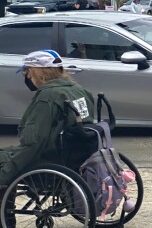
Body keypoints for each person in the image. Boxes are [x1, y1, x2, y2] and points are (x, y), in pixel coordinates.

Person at [0, 50, 96, 189]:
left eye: (27, 71)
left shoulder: (48, 97)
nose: (27, 76)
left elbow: (33, 143)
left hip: (51, 159)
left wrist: (5, 173)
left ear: (36, 72)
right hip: (76, 156)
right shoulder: (79, 90)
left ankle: (5, 201)